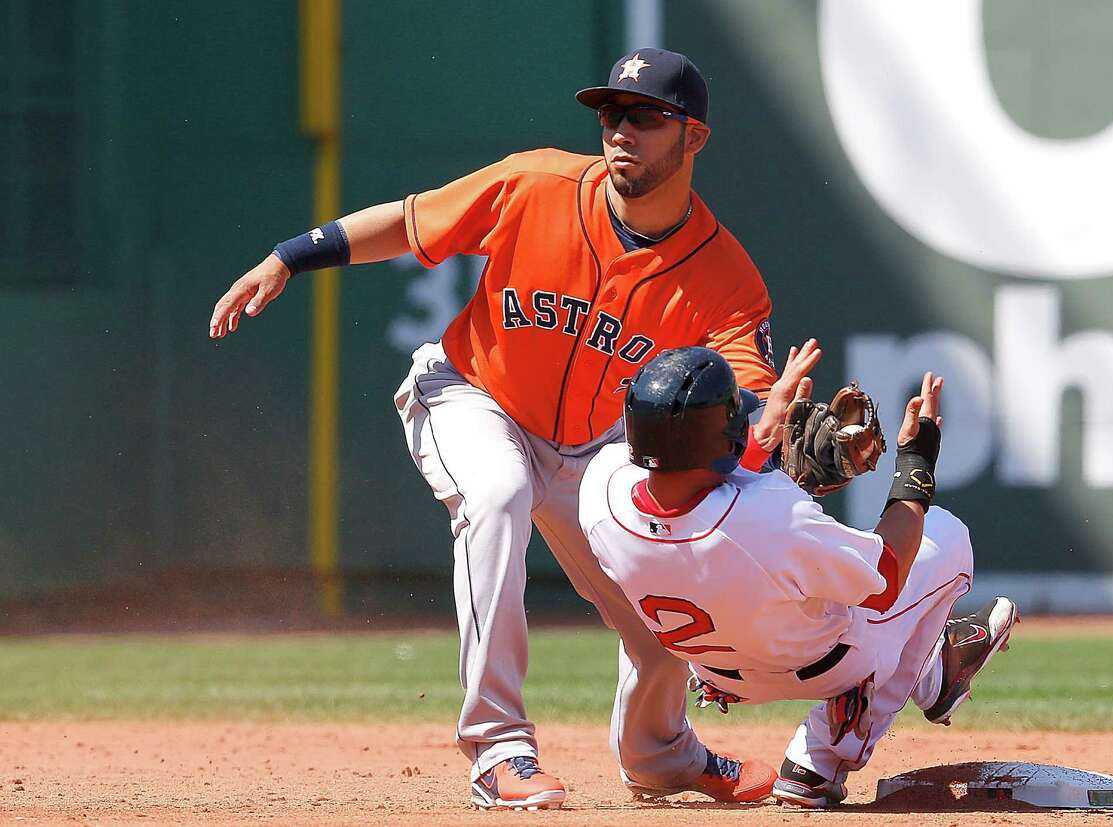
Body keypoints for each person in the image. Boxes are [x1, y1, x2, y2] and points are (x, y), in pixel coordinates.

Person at [209, 49, 785, 809]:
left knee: (660, 590)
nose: (621, 131)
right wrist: (289, 257)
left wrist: (766, 425)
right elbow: (412, 222)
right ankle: (498, 747)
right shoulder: (537, 183)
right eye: (611, 114)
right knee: (499, 491)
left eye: (646, 117)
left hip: (592, 447)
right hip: (471, 395)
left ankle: (659, 752)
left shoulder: (724, 273)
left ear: (694, 138)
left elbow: (747, 393)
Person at [578, 343, 1018, 807]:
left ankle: (933, 671)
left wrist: (764, 441)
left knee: (796, 587)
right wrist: (915, 461)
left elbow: (688, 489)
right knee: (944, 535)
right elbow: (886, 576)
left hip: (713, 674)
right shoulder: (773, 516)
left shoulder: (600, 490)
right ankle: (823, 754)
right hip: (823, 670)